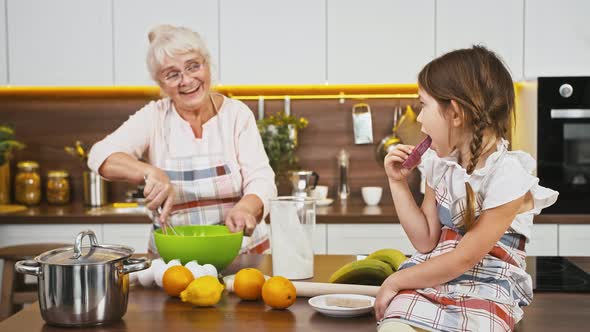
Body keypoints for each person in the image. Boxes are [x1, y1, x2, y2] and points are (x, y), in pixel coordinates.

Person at [375, 45, 558, 332]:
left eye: (423, 105)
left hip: (487, 284)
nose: (419, 119)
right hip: (433, 276)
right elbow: (425, 241)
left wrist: (394, 281)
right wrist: (397, 183)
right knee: (394, 322)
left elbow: (465, 257)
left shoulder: (508, 175)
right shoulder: (440, 164)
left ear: (455, 114)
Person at [88, 24, 277, 254]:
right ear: (160, 83)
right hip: (175, 257)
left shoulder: (236, 114)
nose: (186, 80)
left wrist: (246, 208)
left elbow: (261, 178)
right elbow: (100, 155)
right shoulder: (154, 117)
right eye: (172, 74)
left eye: (193, 66)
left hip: (242, 252)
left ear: (207, 65)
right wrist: (150, 173)